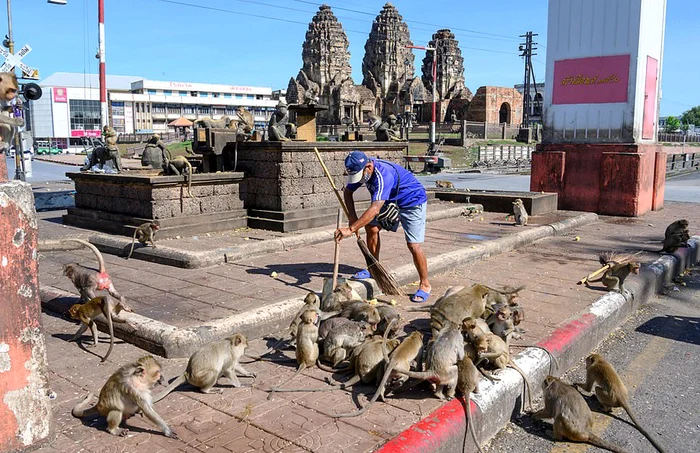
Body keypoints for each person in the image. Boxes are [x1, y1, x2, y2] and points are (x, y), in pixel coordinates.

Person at [334, 150, 431, 302]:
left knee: (413, 245)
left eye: (360, 175)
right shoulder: (362, 170)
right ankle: (374, 267)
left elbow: (375, 209)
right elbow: (348, 192)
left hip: (412, 201)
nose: (360, 180)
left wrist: (351, 229)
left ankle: (425, 284)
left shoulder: (382, 175)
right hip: (390, 200)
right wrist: (353, 218)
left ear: (368, 167)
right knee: (371, 228)